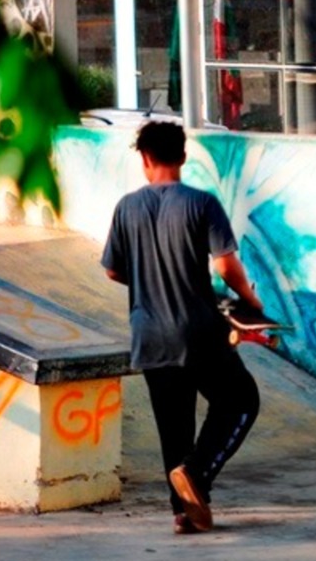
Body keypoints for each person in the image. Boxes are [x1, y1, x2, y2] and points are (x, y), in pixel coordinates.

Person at [101, 121, 262, 535]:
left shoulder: (126, 207)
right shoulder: (201, 204)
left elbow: (114, 270)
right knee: (241, 400)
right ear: (183, 157)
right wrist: (251, 300)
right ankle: (196, 472)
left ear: (145, 159)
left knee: (174, 426)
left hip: (150, 335)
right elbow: (225, 264)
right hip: (199, 331)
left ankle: (183, 512)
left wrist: (149, 277)